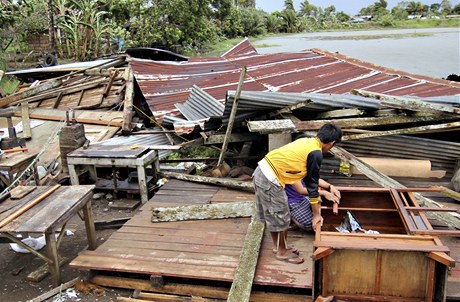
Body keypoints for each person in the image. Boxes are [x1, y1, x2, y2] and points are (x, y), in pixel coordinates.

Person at [252, 123, 342, 264]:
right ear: (331, 143)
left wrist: (329, 187)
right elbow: (311, 186)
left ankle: (279, 247)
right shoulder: (316, 153)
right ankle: (282, 252)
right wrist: (316, 215)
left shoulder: (307, 141)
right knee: (281, 215)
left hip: (263, 171)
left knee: (275, 214)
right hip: (270, 178)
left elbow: (310, 178)